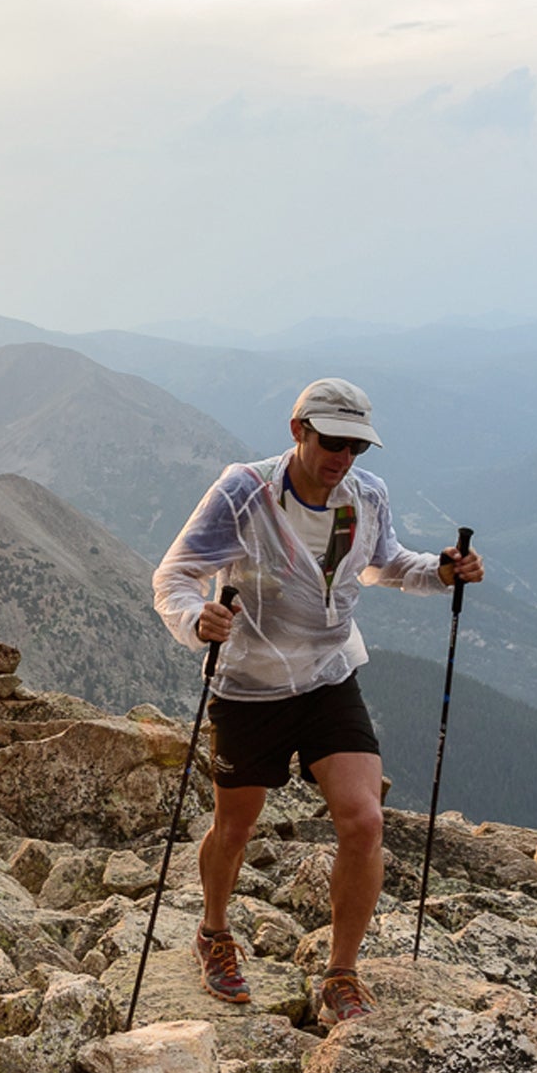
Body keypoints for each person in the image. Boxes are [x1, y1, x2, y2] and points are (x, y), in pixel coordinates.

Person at [151, 377, 483, 1024]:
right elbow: (175, 574)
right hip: (249, 688)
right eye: (333, 441)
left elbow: (383, 565)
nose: (344, 458)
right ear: (299, 430)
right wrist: (197, 621)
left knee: (364, 822)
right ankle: (214, 932)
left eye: (357, 446)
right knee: (235, 827)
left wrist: (441, 571)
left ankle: (341, 975)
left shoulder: (365, 496)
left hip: (331, 676)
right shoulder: (243, 493)